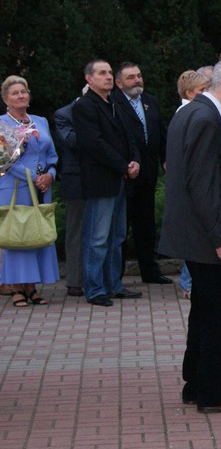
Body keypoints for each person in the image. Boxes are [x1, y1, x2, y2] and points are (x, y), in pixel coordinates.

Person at [159, 54, 221, 413]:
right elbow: (202, 185)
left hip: (193, 229)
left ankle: (197, 382)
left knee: (203, 310)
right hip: (205, 233)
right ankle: (214, 393)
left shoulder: (189, 111)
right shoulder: (205, 118)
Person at [73, 60, 143, 307]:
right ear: (89, 79)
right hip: (101, 181)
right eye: (102, 73)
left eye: (110, 73)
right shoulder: (84, 107)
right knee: (97, 238)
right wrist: (123, 165)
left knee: (117, 237)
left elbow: (130, 137)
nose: (108, 77)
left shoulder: (114, 103)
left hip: (120, 180)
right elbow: (95, 144)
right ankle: (94, 289)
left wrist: (134, 160)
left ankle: (114, 284)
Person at [110, 62, 172, 286]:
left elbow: (161, 133)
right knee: (121, 226)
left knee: (145, 224)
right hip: (125, 173)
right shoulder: (113, 103)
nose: (137, 80)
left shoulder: (150, 101)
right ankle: (116, 275)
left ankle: (150, 270)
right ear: (118, 83)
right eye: (130, 77)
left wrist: (166, 158)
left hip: (148, 172)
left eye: (139, 75)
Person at [0, 76, 59, 307]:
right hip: (15, 186)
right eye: (15, 93)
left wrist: (50, 175)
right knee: (18, 235)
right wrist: (31, 177)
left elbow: (52, 154)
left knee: (36, 233)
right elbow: (3, 160)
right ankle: (16, 287)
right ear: (6, 99)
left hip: (42, 186)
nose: (20, 96)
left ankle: (32, 287)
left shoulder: (40, 121)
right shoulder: (2, 124)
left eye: (23, 91)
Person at [174, 69, 211, 299]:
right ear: (190, 93)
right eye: (202, 91)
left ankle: (190, 281)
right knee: (195, 233)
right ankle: (188, 282)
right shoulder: (190, 114)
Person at [53, 85, 88, 298]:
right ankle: (74, 280)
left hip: (103, 180)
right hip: (76, 180)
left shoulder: (109, 110)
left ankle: (99, 279)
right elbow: (71, 141)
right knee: (76, 232)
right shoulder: (64, 114)